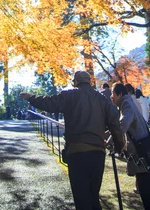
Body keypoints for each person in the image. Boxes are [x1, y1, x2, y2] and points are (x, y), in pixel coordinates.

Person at [20, 70, 124, 210]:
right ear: (89, 82)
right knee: (93, 195)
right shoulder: (101, 99)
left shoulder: (70, 96)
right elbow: (114, 123)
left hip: (77, 152)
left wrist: (31, 98)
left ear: (75, 82)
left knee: (82, 198)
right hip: (98, 152)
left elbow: (49, 103)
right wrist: (119, 145)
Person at [112, 82, 150, 210]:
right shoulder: (128, 102)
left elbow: (124, 122)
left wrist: (111, 140)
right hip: (145, 150)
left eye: (113, 94)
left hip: (141, 153)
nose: (111, 97)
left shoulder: (126, 104)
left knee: (146, 189)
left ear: (119, 94)